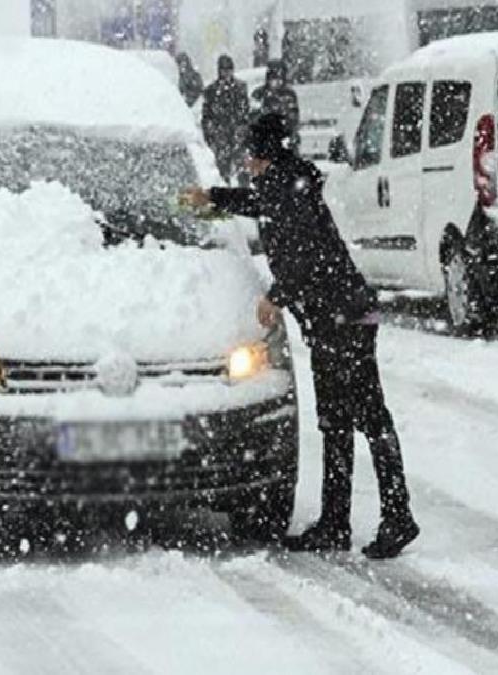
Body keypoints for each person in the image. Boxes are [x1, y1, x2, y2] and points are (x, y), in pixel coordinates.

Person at [180, 114, 420, 559]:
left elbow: (304, 254)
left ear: (264, 154)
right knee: (342, 419)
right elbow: (259, 203)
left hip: (340, 319)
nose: (247, 162)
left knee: (361, 418)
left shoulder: (284, 188)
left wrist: (277, 297)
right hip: (347, 313)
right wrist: (214, 197)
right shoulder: (288, 183)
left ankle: (392, 516)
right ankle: (342, 521)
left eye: (251, 154)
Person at [201, 55, 250, 184]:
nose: (226, 73)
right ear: (219, 71)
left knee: (242, 170)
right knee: (222, 171)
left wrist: (242, 130)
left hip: (238, 135)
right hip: (220, 136)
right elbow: (206, 116)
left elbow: (245, 112)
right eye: (224, 70)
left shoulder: (240, 88)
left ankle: (244, 192)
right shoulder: (211, 90)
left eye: (229, 69)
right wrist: (210, 134)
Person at [251, 60, 300, 137]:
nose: (277, 82)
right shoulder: (259, 93)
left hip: (283, 133)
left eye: (280, 79)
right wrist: (263, 112)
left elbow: (293, 118)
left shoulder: (289, 94)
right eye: (274, 78)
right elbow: (253, 118)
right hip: (263, 134)